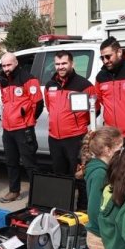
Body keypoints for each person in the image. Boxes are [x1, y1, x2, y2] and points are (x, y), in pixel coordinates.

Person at [0, 52, 43, 203]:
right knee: (11, 162)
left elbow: (39, 103)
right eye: (3, 65)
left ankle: (38, 195)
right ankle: (13, 191)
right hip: (8, 129)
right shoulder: (3, 81)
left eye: (9, 65)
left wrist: (28, 120)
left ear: (16, 63)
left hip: (24, 128)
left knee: (30, 163)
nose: (6, 68)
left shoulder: (28, 79)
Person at [45, 49, 98, 177]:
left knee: (79, 173)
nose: (60, 67)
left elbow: (94, 109)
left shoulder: (84, 85)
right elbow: (49, 107)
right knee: (59, 174)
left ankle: (81, 198)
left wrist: (77, 124)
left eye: (64, 63)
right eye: (57, 64)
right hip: (54, 138)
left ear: (72, 64)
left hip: (75, 138)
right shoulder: (50, 85)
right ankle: (62, 197)